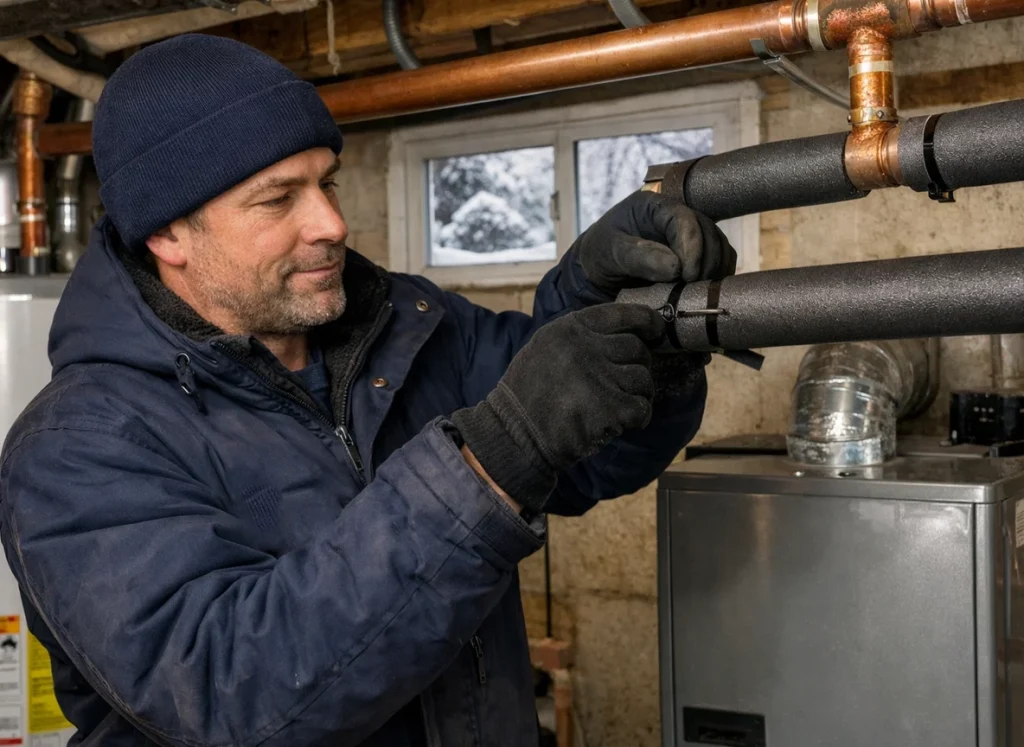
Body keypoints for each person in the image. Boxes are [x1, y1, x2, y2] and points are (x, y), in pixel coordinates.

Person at [0, 34, 735, 747]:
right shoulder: (77, 449)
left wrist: (625, 317)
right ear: (168, 234)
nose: (331, 223)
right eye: (277, 198)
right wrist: (490, 460)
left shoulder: (409, 325)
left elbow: (587, 452)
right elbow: (233, 692)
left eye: (327, 182)